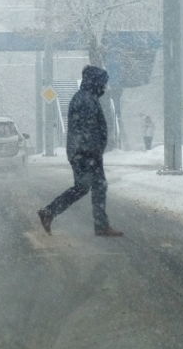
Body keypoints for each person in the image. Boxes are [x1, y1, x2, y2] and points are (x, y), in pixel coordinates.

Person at [37, 65, 124, 237]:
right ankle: (98, 225)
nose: (105, 87)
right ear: (95, 82)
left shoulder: (85, 97)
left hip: (84, 152)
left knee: (86, 187)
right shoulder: (86, 100)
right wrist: (92, 151)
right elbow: (87, 129)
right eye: (103, 83)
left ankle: (51, 212)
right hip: (86, 153)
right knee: (90, 186)